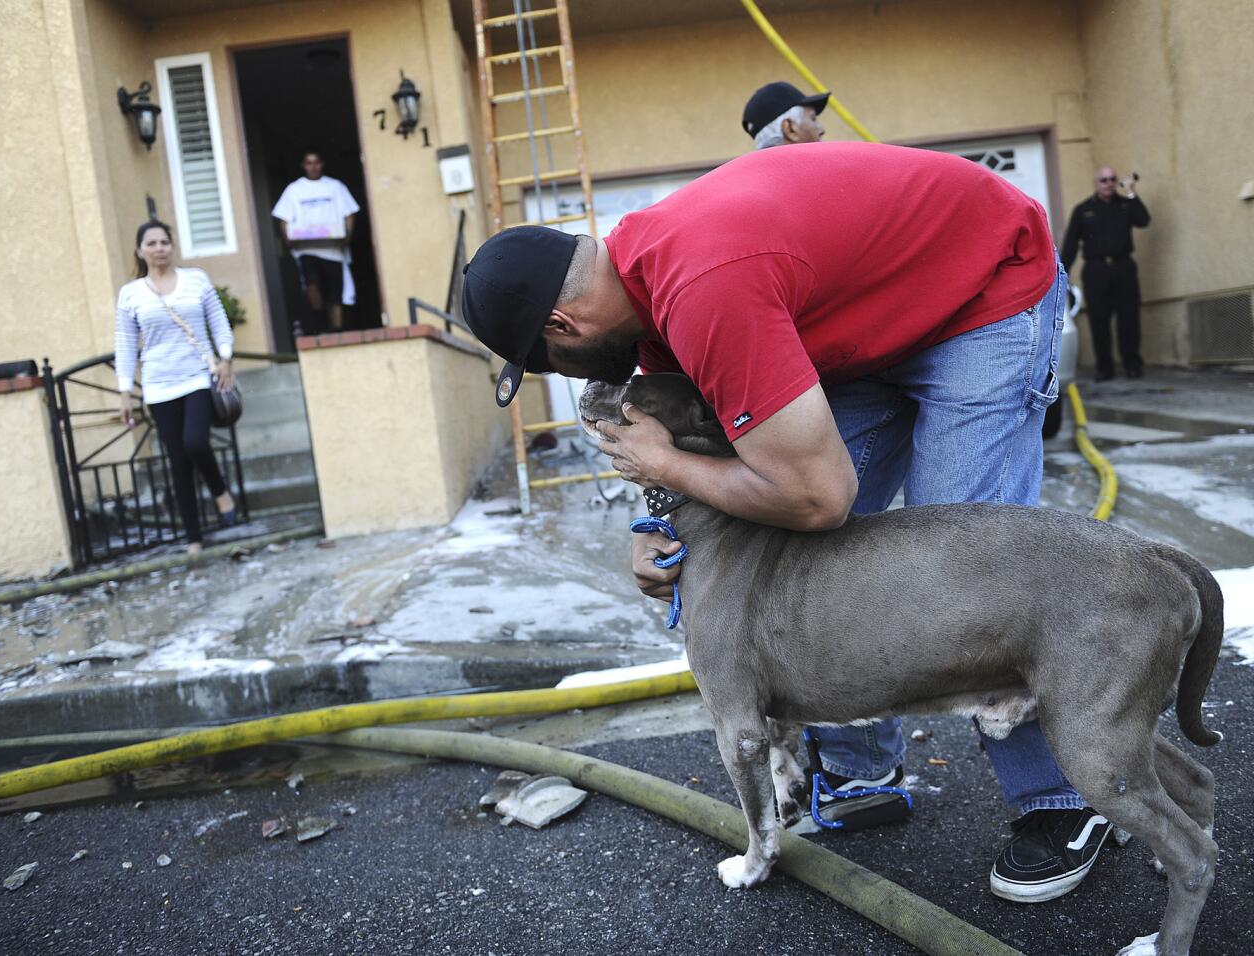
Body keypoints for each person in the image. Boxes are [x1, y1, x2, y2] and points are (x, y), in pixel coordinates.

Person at [461, 142, 1113, 904]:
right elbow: (714, 451)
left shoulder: (701, 287)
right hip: (874, 320)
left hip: (983, 292)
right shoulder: (646, 300)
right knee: (799, 531)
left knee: (964, 558)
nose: (563, 381)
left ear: (564, 326)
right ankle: (863, 772)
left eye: (542, 364)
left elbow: (816, 497)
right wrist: (659, 528)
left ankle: (1063, 799)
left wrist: (666, 469)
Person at [115, 221, 237, 555]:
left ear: (172, 246)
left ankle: (219, 489)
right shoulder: (131, 294)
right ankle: (194, 538)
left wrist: (225, 357)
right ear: (140, 250)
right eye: (151, 243)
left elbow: (219, 322)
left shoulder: (195, 279)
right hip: (158, 386)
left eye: (164, 242)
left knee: (195, 442)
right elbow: (125, 344)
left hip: (198, 376)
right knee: (178, 462)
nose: (159, 248)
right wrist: (125, 390)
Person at [1060, 166, 1151, 380]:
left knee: (1129, 318)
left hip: (1123, 268)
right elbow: (1071, 244)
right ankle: (1104, 367)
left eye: (1112, 179)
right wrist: (1062, 275)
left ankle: (1132, 364)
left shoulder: (1126, 205)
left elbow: (1144, 220)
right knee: (1098, 320)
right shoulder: (1083, 210)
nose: (1108, 183)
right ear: (1096, 182)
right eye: (1103, 180)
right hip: (1095, 270)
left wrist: (1131, 193)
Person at [272, 150, 360, 332]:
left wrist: (347, 237)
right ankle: (321, 325)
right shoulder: (294, 189)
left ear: (322, 164)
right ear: (303, 166)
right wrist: (287, 239)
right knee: (313, 285)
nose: (313, 167)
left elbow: (350, 213)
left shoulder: (335, 187)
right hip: (307, 250)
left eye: (316, 162)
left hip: (333, 250)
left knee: (336, 292)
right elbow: (283, 218)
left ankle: (337, 330)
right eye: (309, 163)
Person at [741, 81, 828, 148]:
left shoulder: (744, 170)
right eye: (813, 119)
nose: (822, 129)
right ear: (790, 129)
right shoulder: (816, 170)